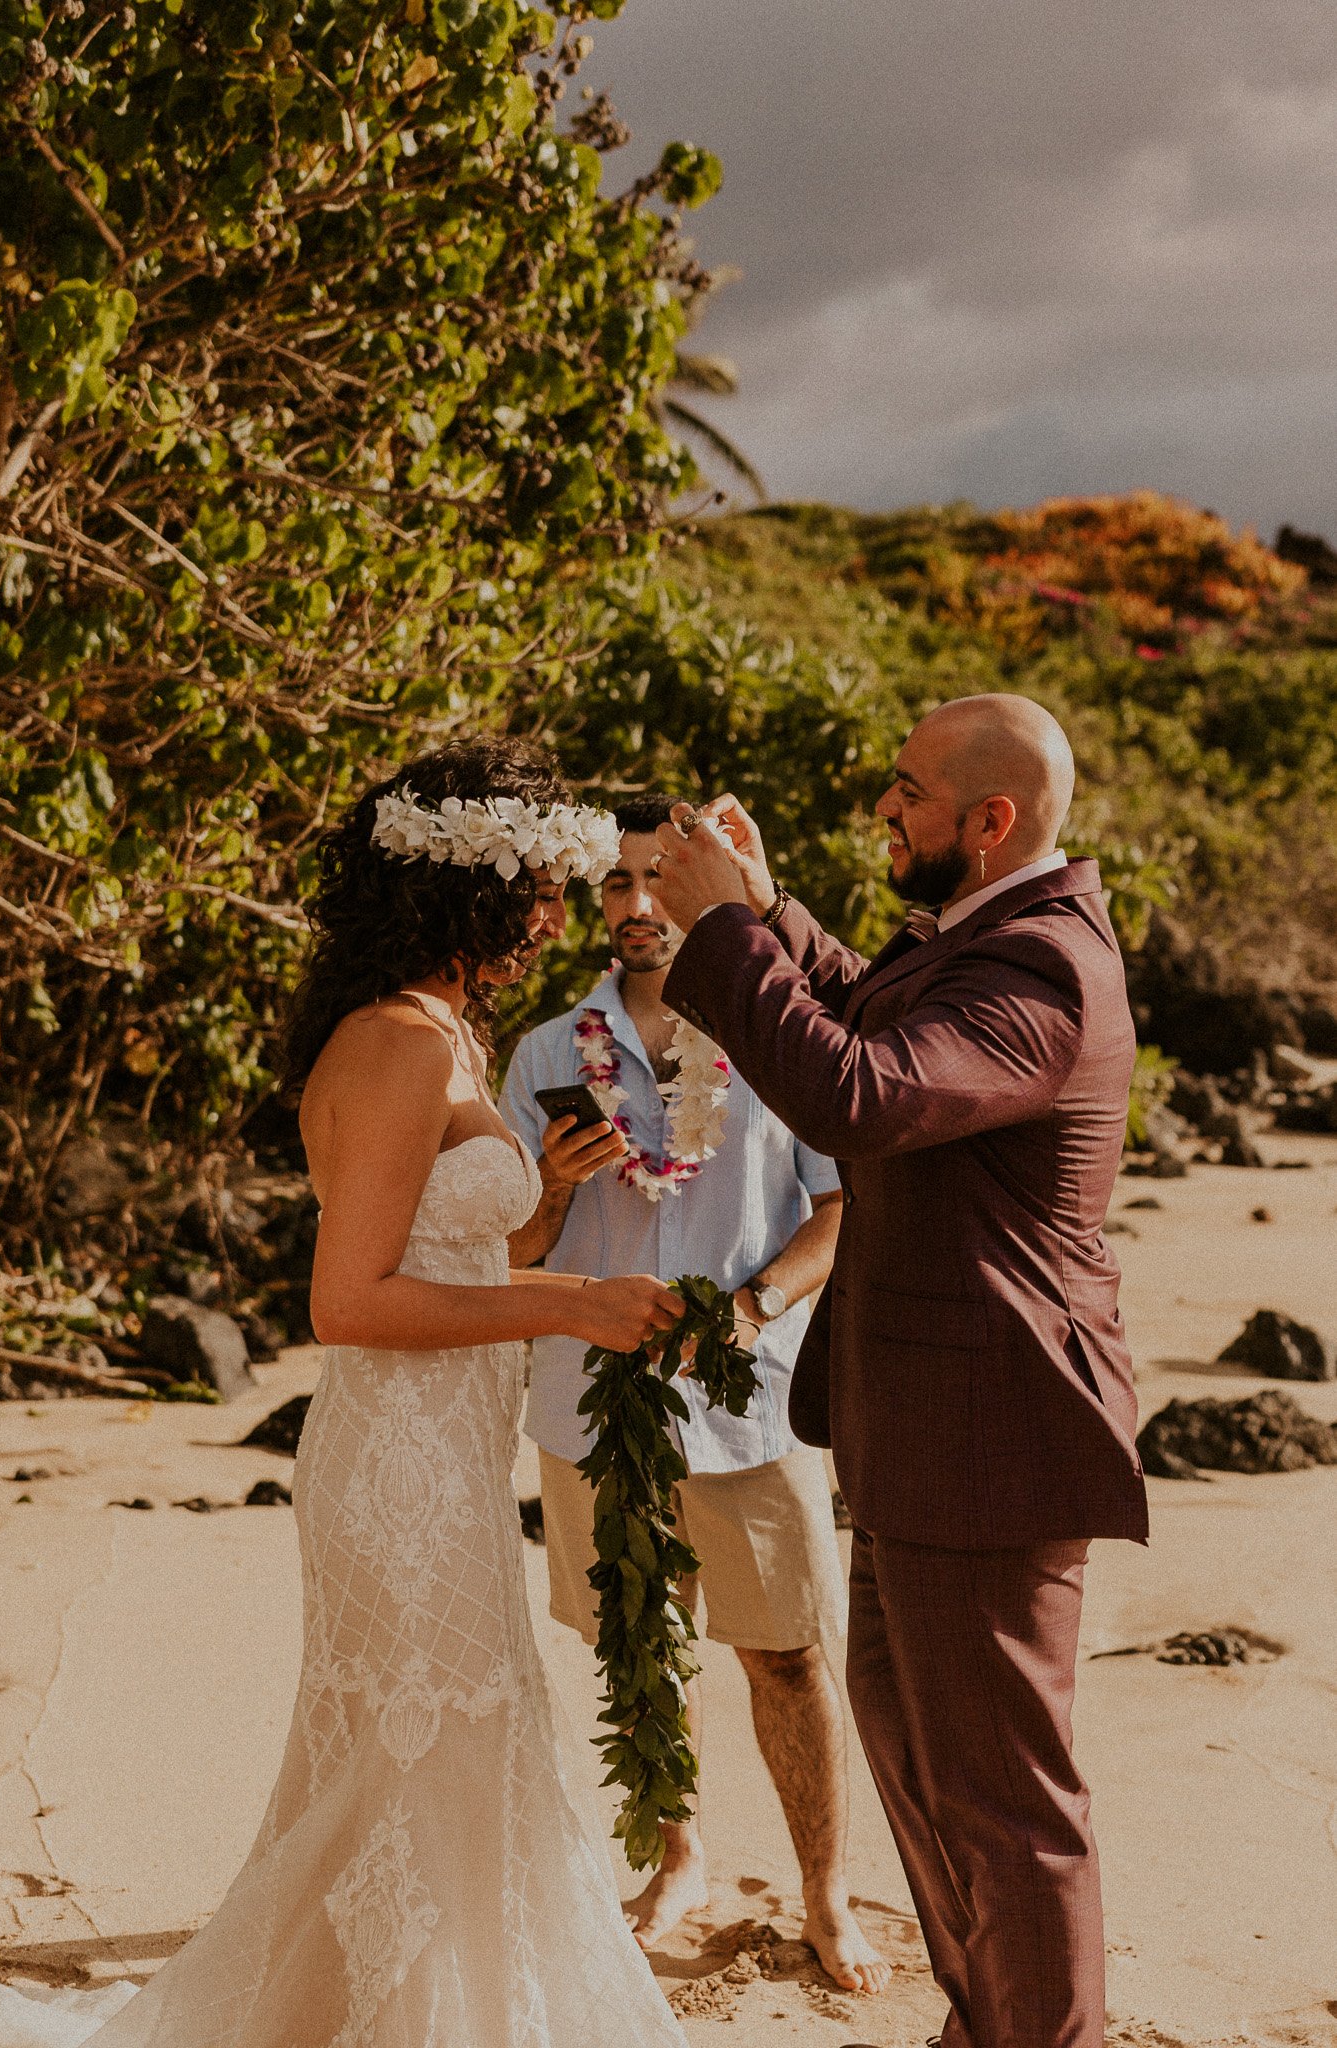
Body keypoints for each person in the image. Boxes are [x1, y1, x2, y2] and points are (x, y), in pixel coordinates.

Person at [0, 739, 690, 2048]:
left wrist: (557, 1211)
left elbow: (458, 1256)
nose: (550, 916)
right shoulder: (394, 1046)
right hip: (395, 1470)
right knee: (425, 1761)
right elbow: (346, 1302)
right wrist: (572, 1305)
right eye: (533, 886)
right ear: (460, 890)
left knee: (441, 1762)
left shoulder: (448, 1034)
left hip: (455, 1459)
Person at [647, 696, 1150, 2048]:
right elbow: (874, 1010)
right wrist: (766, 913)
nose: (883, 805)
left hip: (989, 1432)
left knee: (1000, 1797)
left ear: (988, 823)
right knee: (920, 1763)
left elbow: (857, 1091)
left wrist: (720, 936)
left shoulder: (1038, 966)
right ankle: (985, 2018)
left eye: (906, 788)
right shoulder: (982, 940)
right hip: (926, 1428)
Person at [500, 792, 887, 1998]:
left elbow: (842, 1208)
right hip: (590, 1406)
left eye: (659, 879)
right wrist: (557, 1191)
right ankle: (680, 1861)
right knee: (638, 1640)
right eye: (615, 885)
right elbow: (511, 1250)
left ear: (705, 885)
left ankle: (825, 1892)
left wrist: (752, 1307)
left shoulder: (786, 1035)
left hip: (750, 1403)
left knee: (785, 1655)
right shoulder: (549, 1053)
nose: (637, 905)